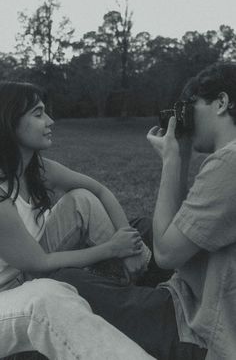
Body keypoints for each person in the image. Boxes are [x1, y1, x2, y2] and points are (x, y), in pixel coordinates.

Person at [52, 62, 236, 360]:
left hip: (202, 330)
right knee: (138, 228)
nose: (184, 116)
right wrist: (184, 155)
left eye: (190, 106)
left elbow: (166, 253)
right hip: (203, 288)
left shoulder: (229, 163)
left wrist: (171, 160)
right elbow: (186, 227)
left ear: (222, 102)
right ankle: (129, 280)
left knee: (68, 283)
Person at [0, 81, 153, 359]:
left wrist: (129, 245)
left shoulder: (37, 169)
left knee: (82, 199)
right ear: (10, 122)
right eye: (38, 114)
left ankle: (129, 285)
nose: (50, 121)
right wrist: (112, 248)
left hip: (26, 270)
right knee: (48, 296)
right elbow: (39, 263)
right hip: (6, 296)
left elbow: (99, 190)